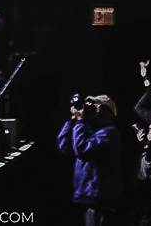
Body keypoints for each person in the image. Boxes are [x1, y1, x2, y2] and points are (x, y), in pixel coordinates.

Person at [57, 94, 123, 226]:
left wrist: (80, 121)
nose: (90, 109)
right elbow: (64, 146)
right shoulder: (87, 130)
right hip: (90, 197)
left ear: (107, 112)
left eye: (96, 106)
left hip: (101, 199)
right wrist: (72, 120)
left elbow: (82, 149)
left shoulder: (110, 133)